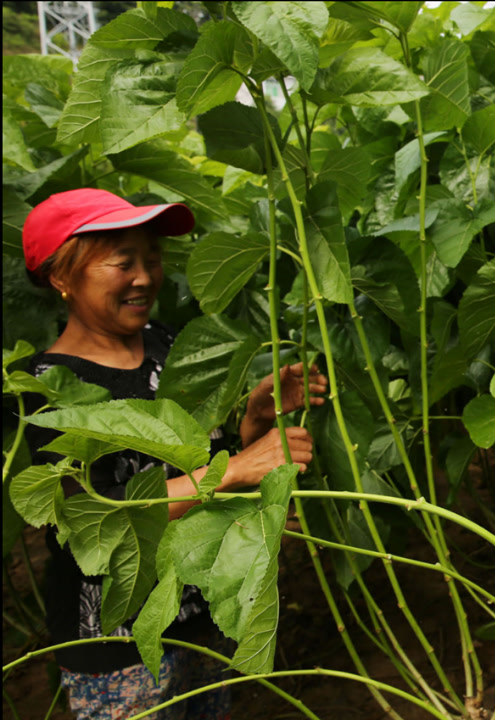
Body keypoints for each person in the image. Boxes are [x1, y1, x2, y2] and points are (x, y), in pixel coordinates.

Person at [21, 188, 327, 719]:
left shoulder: (164, 342)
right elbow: (92, 518)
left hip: (199, 609)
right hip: (116, 643)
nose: (145, 277)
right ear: (62, 276)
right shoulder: (47, 389)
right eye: (123, 262)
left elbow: (200, 461)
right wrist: (233, 470)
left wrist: (254, 421)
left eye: (153, 259)